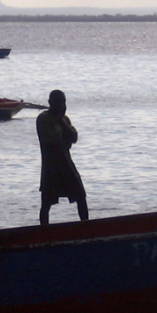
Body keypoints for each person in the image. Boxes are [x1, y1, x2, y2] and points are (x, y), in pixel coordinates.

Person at [36, 89, 89, 225]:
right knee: (46, 202)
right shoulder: (43, 119)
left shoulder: (65, 119)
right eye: (57, 101)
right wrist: (66, 140)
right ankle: (44, 232)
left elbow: (74, 137)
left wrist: (62, 122)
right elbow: (52, 142)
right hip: (51, 167)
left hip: (67, 164)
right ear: (50, 103)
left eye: (63, 101)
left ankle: (86, 227)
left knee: (81, 196)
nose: (61, 105)